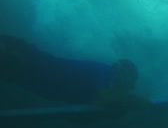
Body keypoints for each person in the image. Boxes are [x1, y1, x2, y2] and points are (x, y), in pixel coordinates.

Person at [0, 35, 150, 113]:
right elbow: (104, 98)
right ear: (124, 73)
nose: (132, 86)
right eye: (132, 79)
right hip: (30, 61)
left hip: (26, 73)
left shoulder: (105, 81)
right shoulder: (107, 72)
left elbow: (80, 113)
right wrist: (135, 101)